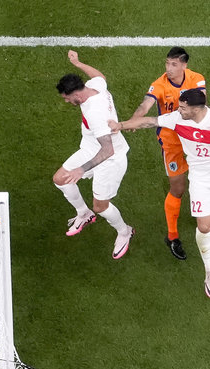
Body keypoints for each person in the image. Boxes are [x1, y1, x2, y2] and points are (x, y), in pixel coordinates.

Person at [109, 89, 210, 298]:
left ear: (197, 109)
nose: (179, 110)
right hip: (200, 179)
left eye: (183, 107)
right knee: (204, 226)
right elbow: (150, 121)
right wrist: (121, 126)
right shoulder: (177, 118)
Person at [53, 50, 133, 260]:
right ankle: (83, 213)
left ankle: (125, 232)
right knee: (60, 179)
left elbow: (108, 150)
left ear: (77, 95)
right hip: (91, 148)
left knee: (101, 206)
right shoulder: (94, 87)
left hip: (110, 159)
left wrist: (82, 169)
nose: (67, 102)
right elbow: (100, 77)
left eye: (68, 99)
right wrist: (78, 63)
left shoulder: (95, 113)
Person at [128, 47, 206, 260]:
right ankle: (172, 236)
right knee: (178, 189)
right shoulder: (160, 84)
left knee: (208, 177)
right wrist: (136, 119)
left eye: (173, 64)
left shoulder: (197, 79)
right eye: (167, 64)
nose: (168, 69)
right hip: (172, 143)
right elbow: (145, 104)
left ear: (184, 65)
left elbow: (201, 103)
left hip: (194, 139)